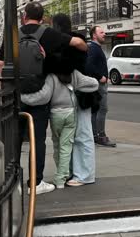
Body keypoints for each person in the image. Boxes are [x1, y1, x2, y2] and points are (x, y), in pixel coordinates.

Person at [0, 1, 87, 195]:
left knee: (15, 139)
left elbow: (1, 63)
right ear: (42, 17)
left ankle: (13, 181)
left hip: (16, 96)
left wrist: (3, 90)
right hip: (40, 96)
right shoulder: (48, 34)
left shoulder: (13, 34)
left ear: (24, 16)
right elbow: (79, 44)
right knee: (37, 140)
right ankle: (36, 183)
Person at [21, 69, 98, 189]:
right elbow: (94, 84)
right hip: (71, 113)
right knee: (66, 146)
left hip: (55, 114)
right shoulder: (74, 74)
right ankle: (61, 178)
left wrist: (22, 97)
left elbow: (44, 97)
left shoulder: (51, 76)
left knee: (57, 145)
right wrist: (77, 88)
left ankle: (62, 173)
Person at [51, 13, 99, 187]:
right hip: (76, 93)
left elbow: (67, 65)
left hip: (79, 93)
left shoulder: (71, 40)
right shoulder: (76, 39)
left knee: (82, 134)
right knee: (76, 135)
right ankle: (76, 172)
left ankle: (84, 174)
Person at [85, 25, 116, 147]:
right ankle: (101, 135)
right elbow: (89, 65)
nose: (104, 34)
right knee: (102, 109)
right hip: (99, 84)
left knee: (95, 110)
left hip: (98, 84)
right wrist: (100, 76)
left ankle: (94, 135)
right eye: (101, 32)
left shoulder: (95, 48)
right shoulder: (94, 48)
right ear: (94, 35)